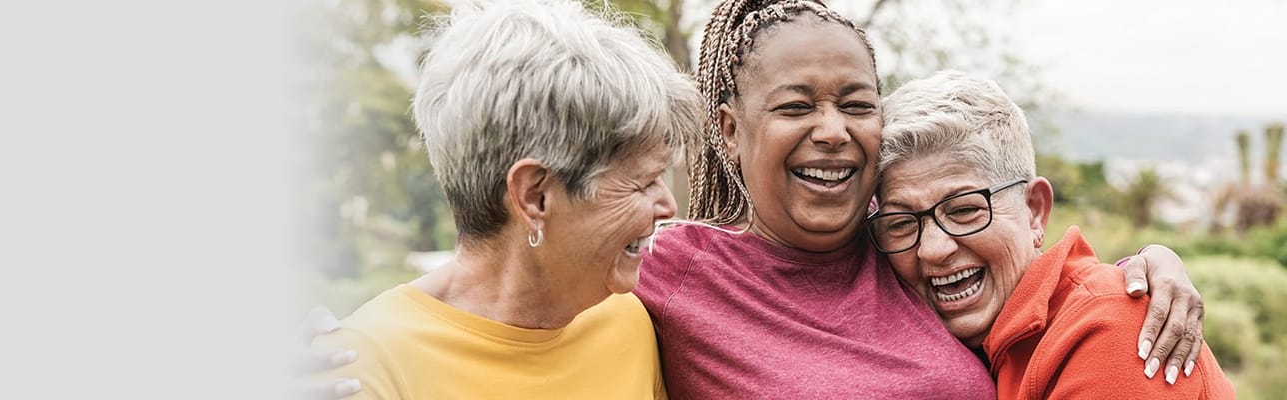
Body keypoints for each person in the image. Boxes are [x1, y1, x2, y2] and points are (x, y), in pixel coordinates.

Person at [634, 0, 1208, 398]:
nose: (832, 130)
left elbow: (1033, 283)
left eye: (857, 105)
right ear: (731, 130)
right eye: (796, 106)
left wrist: (1136, 276)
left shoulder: (896, 247)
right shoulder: (676, 271)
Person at [308, 1, 701, 399]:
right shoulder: (358, 368)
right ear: (535, 197)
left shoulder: (627, 322)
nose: (668, 205)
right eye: (643, 182)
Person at [871, 70, 1234, 399]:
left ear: (1035, 211)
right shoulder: (985, 337)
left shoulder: (1111, 332)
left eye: (965, 210)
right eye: (902, 224)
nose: (932, 249)